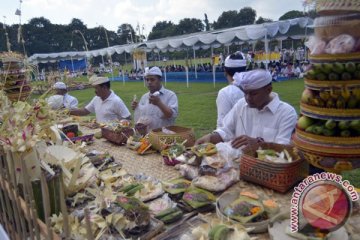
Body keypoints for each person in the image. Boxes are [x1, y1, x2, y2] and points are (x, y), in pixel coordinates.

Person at [196, 69, 297, 149]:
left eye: (253, 94)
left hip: (269, 170)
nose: (248, 98)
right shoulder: (241, 104)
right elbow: (226, 131)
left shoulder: (287, 113)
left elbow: (285, 149)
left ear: (268, 90)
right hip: (238, 166)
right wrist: (210, 137)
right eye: (245, 93)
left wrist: (260, 145)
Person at [132, 66, 178, 131]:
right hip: (147, 137)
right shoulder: (144, 97)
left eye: (152, 79)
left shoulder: (170, 95)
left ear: (160, 80)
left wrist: (159, 103)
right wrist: (137, 107)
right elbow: (142, 118)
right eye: (147, 80)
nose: (149, 82)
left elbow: (171, 115)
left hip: (164, 136)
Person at [216, 51, 246, 128]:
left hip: (236, 138)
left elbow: (223, 124)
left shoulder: (225, 92)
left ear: (225, 72)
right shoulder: (256, 88)